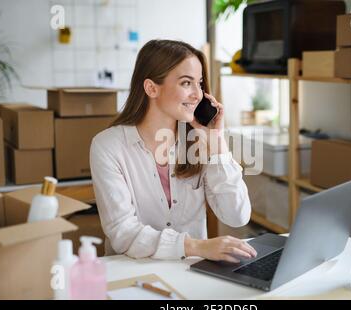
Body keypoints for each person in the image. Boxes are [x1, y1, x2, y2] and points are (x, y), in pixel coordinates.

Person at [90, 39, 257, 263]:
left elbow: (237, 216)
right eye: (186, 83)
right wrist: (198, 246)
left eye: (199, 83)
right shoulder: (108, 146)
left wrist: (218, 146)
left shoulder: (199, 143)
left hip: (190, 273)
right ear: (151, 88)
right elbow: (123, 233)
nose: (198, 94)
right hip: (132, 272)